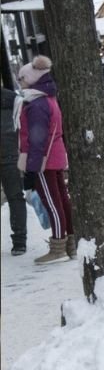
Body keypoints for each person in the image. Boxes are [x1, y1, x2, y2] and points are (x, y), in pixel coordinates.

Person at [16, 56, 72, 264]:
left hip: (43, 159)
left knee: (52, 203)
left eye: (22, 79)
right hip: (53, 155)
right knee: (61, 200)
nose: (19, 83)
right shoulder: (48, 99)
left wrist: (31, 168)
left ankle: (59, 246)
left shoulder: (37, 104)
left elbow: (36, 138)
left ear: (32, 79)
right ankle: (70, 242)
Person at [1, 86, 27, 255]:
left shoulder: (13, 99)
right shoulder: (13, 99)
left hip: (9, 154)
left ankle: (19, 241)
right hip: (10, 153)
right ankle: (19, 242)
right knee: (15, 197)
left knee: (15, 197)